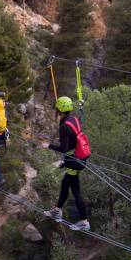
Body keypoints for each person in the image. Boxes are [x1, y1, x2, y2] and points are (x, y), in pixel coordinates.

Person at [43, 96, 90, 230]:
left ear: (60, 110)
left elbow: (63, 149)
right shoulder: (74, 119)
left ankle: (84, 221)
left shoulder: (64, 126)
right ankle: (57, 210)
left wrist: (48, 146)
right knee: (65, 183)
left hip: (74, 160)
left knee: (75, 191)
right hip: (81, 157)